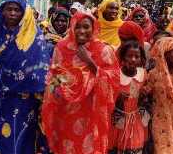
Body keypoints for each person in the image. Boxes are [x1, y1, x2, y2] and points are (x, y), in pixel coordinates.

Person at [0, 0, 50, 154]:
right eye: (8, 9)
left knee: (22, 140)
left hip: (25, 100)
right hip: (1, 97)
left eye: (17, 10)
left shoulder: (34, 37)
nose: (12, 13)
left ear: (24, 14)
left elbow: (40, 71)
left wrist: (21, 79)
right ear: (2, 11)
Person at [41, 12, 120, 154]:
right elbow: (55, 77)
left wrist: (90, 62)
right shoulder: (62, 47)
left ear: (94, 28)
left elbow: (114, 80)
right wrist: (57, 91)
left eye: (86, 27)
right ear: (72, 27)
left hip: (91, 112)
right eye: (77, 27)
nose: (82, 31)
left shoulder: (103, 50)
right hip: (66, 112)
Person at [109, 40, 149, 154]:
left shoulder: (143, 74)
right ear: (122, 58)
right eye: (129, 56)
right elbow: (107, 97)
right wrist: (117, 96)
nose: (133, 59)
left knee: (136, 148)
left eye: (137, 56)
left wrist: (144, 96)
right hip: (118, 121)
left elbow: (145, 98)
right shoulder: (116, 75)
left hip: (136, 120)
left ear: (141, 59)